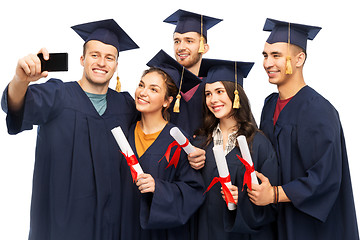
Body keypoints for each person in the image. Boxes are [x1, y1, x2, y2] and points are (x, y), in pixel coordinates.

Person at [1, 19, 139, 240]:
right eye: (94, 55)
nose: (101, 62)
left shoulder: (125, 105)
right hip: (64, 225)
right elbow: (16, 104)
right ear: (82, 59)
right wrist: (20, 80)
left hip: (112, 224)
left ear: (116, 65)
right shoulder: (58, 94)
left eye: (109, 57)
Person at [253, 18, 359, 239]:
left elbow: (325, 177)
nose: (267, 63)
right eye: (265, 55)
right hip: (275, 220)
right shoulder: (269, 105)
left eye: (276, 55)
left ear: (299, 59)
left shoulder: (319, 110)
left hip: (310, 226)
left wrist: (273, 194)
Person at [119, 49, 204, 240]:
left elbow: (193, 191)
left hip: (162, 233)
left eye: (153, 89)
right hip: (125, 228)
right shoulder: (126, 132)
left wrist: (159, 188)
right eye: (142, 85)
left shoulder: (179, 140)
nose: (143, 92)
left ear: (167, 101)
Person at [192, 58, 278, 240]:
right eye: (208, 94)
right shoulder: (200, 141)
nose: (213, 99)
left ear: (236, 95)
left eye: (219, 91)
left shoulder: (259, 143)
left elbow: (271, 204)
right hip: (204, 232)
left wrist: (243, 199)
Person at [164, 9, 222, 170]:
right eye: (177, 41)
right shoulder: (164, 87)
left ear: (204, 47)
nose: (181, 47)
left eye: (189, 41)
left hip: (206, 170)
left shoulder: (215, 91)